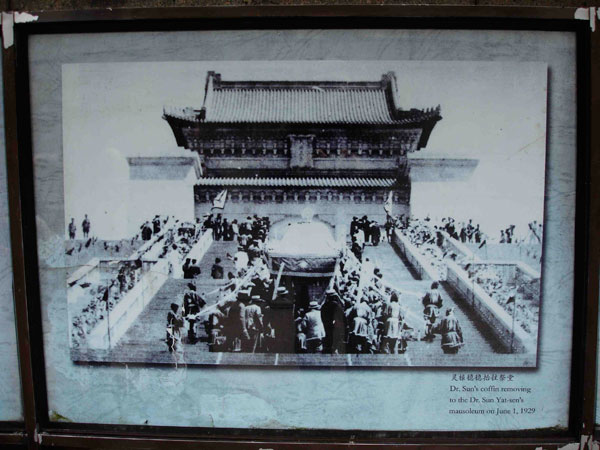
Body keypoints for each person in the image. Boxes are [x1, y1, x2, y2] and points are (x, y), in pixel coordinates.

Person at [320, 288, 346, 354]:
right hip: (336, 327)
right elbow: (342, 316)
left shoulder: (324, 306)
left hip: (326, 326)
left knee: (328, 341)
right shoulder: (336, 305)